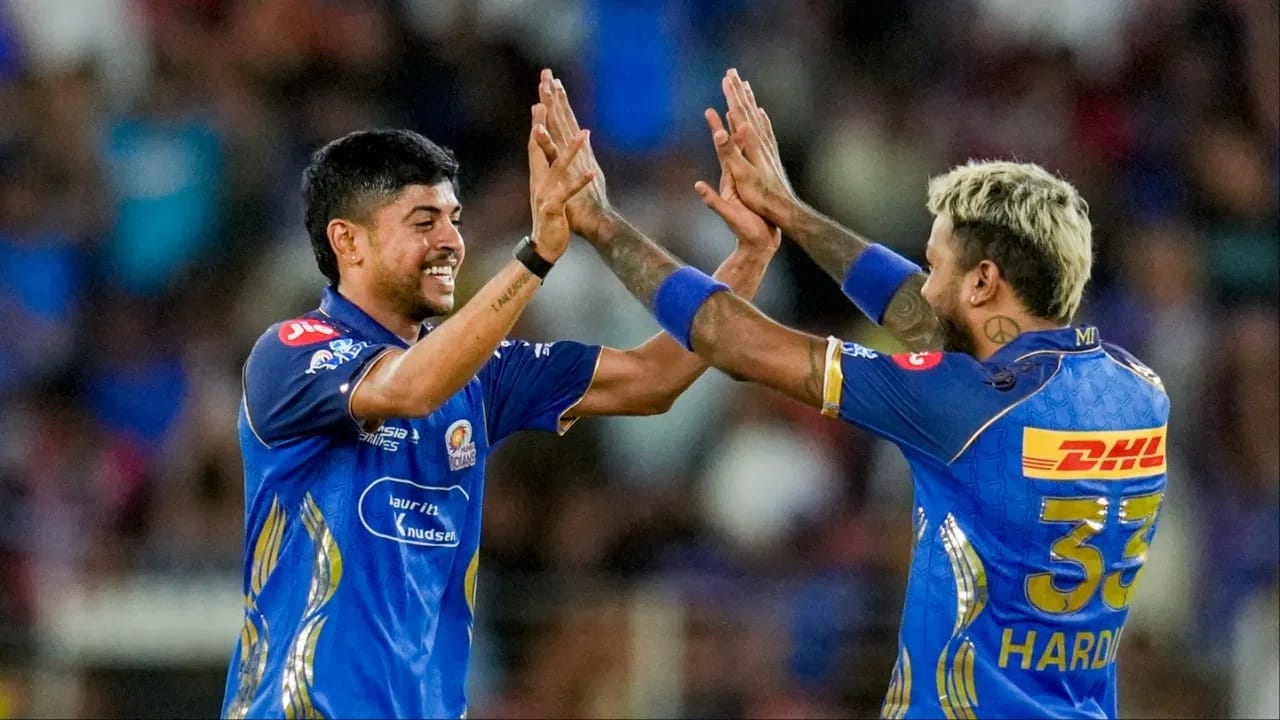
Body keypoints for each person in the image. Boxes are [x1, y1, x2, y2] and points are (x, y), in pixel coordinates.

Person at [535, 68, 1170, 719]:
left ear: (983, 283)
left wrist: (601, 223)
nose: (923, 287)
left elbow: (728, 337)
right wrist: (791, 212)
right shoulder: (1140, 395)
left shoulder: (960, 406)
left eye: (935, 267)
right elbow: (946, 328)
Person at [220, 98, 781, 717]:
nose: (451, 242)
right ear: (348, 241)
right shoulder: (291, 352)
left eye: (454, 219)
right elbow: (411, 388)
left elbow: (654, 378)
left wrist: (747, 259)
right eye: (424, 222)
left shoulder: (482, 373)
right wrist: (536, 255)